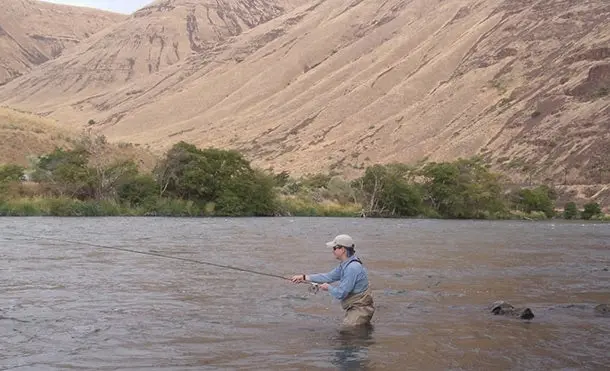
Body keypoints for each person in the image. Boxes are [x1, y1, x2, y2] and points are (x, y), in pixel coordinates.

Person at [291, 234, 375, 327]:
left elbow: (341, 294)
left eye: (334, 248)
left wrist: (328, 288)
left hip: (360, 309)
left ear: (342, 249)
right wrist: (304, 277)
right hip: (355, 307)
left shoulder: (352, 268)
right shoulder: (346, 264)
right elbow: (328, 277)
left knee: (348, 332)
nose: (332, 251)